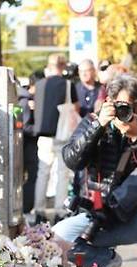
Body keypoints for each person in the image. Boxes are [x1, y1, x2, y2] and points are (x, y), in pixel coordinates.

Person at [53, 74, 137, 267]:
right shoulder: (94, 120)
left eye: (129, 106)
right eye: (118, 105)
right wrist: (98, 126)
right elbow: (71, 159)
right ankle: (104, 259)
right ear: (109, 101)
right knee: (55, 239)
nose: (123, 111)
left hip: (133, 215)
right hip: (95, 217)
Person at [33, 54, 80, 224]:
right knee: (62, 173)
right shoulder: (68, 85)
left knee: (42, 173)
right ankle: (60, 211)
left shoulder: (39, 85)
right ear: (63, 66)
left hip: (43, 136)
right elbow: (75, 108)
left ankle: (39, 211)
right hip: (61, 135)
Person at [19, 71, 45, 215]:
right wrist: (41, 129)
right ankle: (26, 206)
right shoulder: (26, 101)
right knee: (32, 176)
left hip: (28, 145)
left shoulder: (30, 99)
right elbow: (25, 126)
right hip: (28, 146)